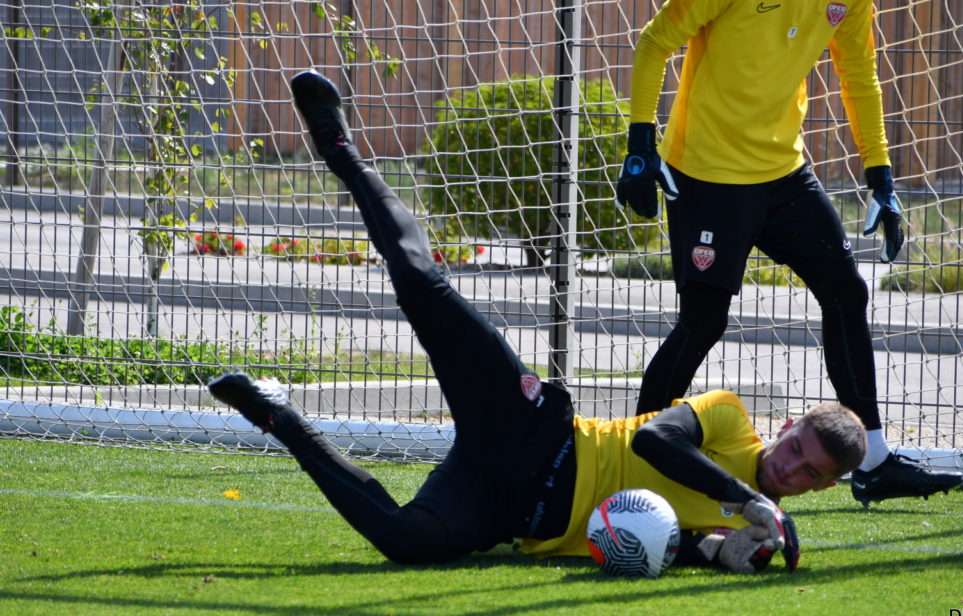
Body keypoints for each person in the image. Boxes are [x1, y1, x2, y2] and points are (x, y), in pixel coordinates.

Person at [208, 70, 867, 575]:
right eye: (797, 448)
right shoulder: (727, 418)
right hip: (533, 431)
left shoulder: (752, 524)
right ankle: (340, 148)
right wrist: (747, 498)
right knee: (421, 285)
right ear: (787, 425)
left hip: (510, 509)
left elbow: (668, 542)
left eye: (808, 473)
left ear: (823, 488)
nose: (791, 469)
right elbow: (653, 442)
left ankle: (275, 414)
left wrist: (722, 551)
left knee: (406, 542)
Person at [615, 0, 961, 507]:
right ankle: (635, 460)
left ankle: (873, 462)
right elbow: (653, 42)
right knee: (703, 322)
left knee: (846, 293)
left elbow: (859, 73)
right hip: (708, 173)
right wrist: (641, 146)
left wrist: (880, 174)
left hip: (784, 173)